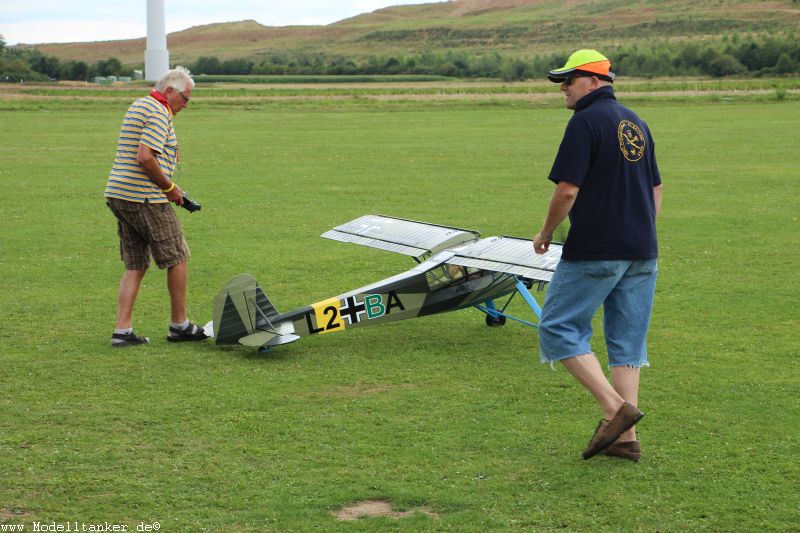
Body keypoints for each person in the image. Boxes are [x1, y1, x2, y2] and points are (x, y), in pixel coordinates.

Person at [533, 50, 663, 461]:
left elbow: (568, 189)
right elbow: (656, 188)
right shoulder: (637, 123)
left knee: (556, 327)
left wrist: (547, 231)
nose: (563, 89)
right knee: (627, 343)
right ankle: (626, 441)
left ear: (592, 80)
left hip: (596, 247)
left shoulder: (585, 122)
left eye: (568, 80)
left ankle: (615, 410)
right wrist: (642, 229)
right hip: (642, 249)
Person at [104, 66, 207, 347]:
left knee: (136, 263)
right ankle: (180, 325)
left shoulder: (140, 105)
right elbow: (145, 157)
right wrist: (170, 188)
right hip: (144, 196)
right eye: (186, 98)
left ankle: (122, 331)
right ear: (170, 91)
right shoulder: (159, 112)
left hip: (119, 194)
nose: (187, 104)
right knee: (178, 255)